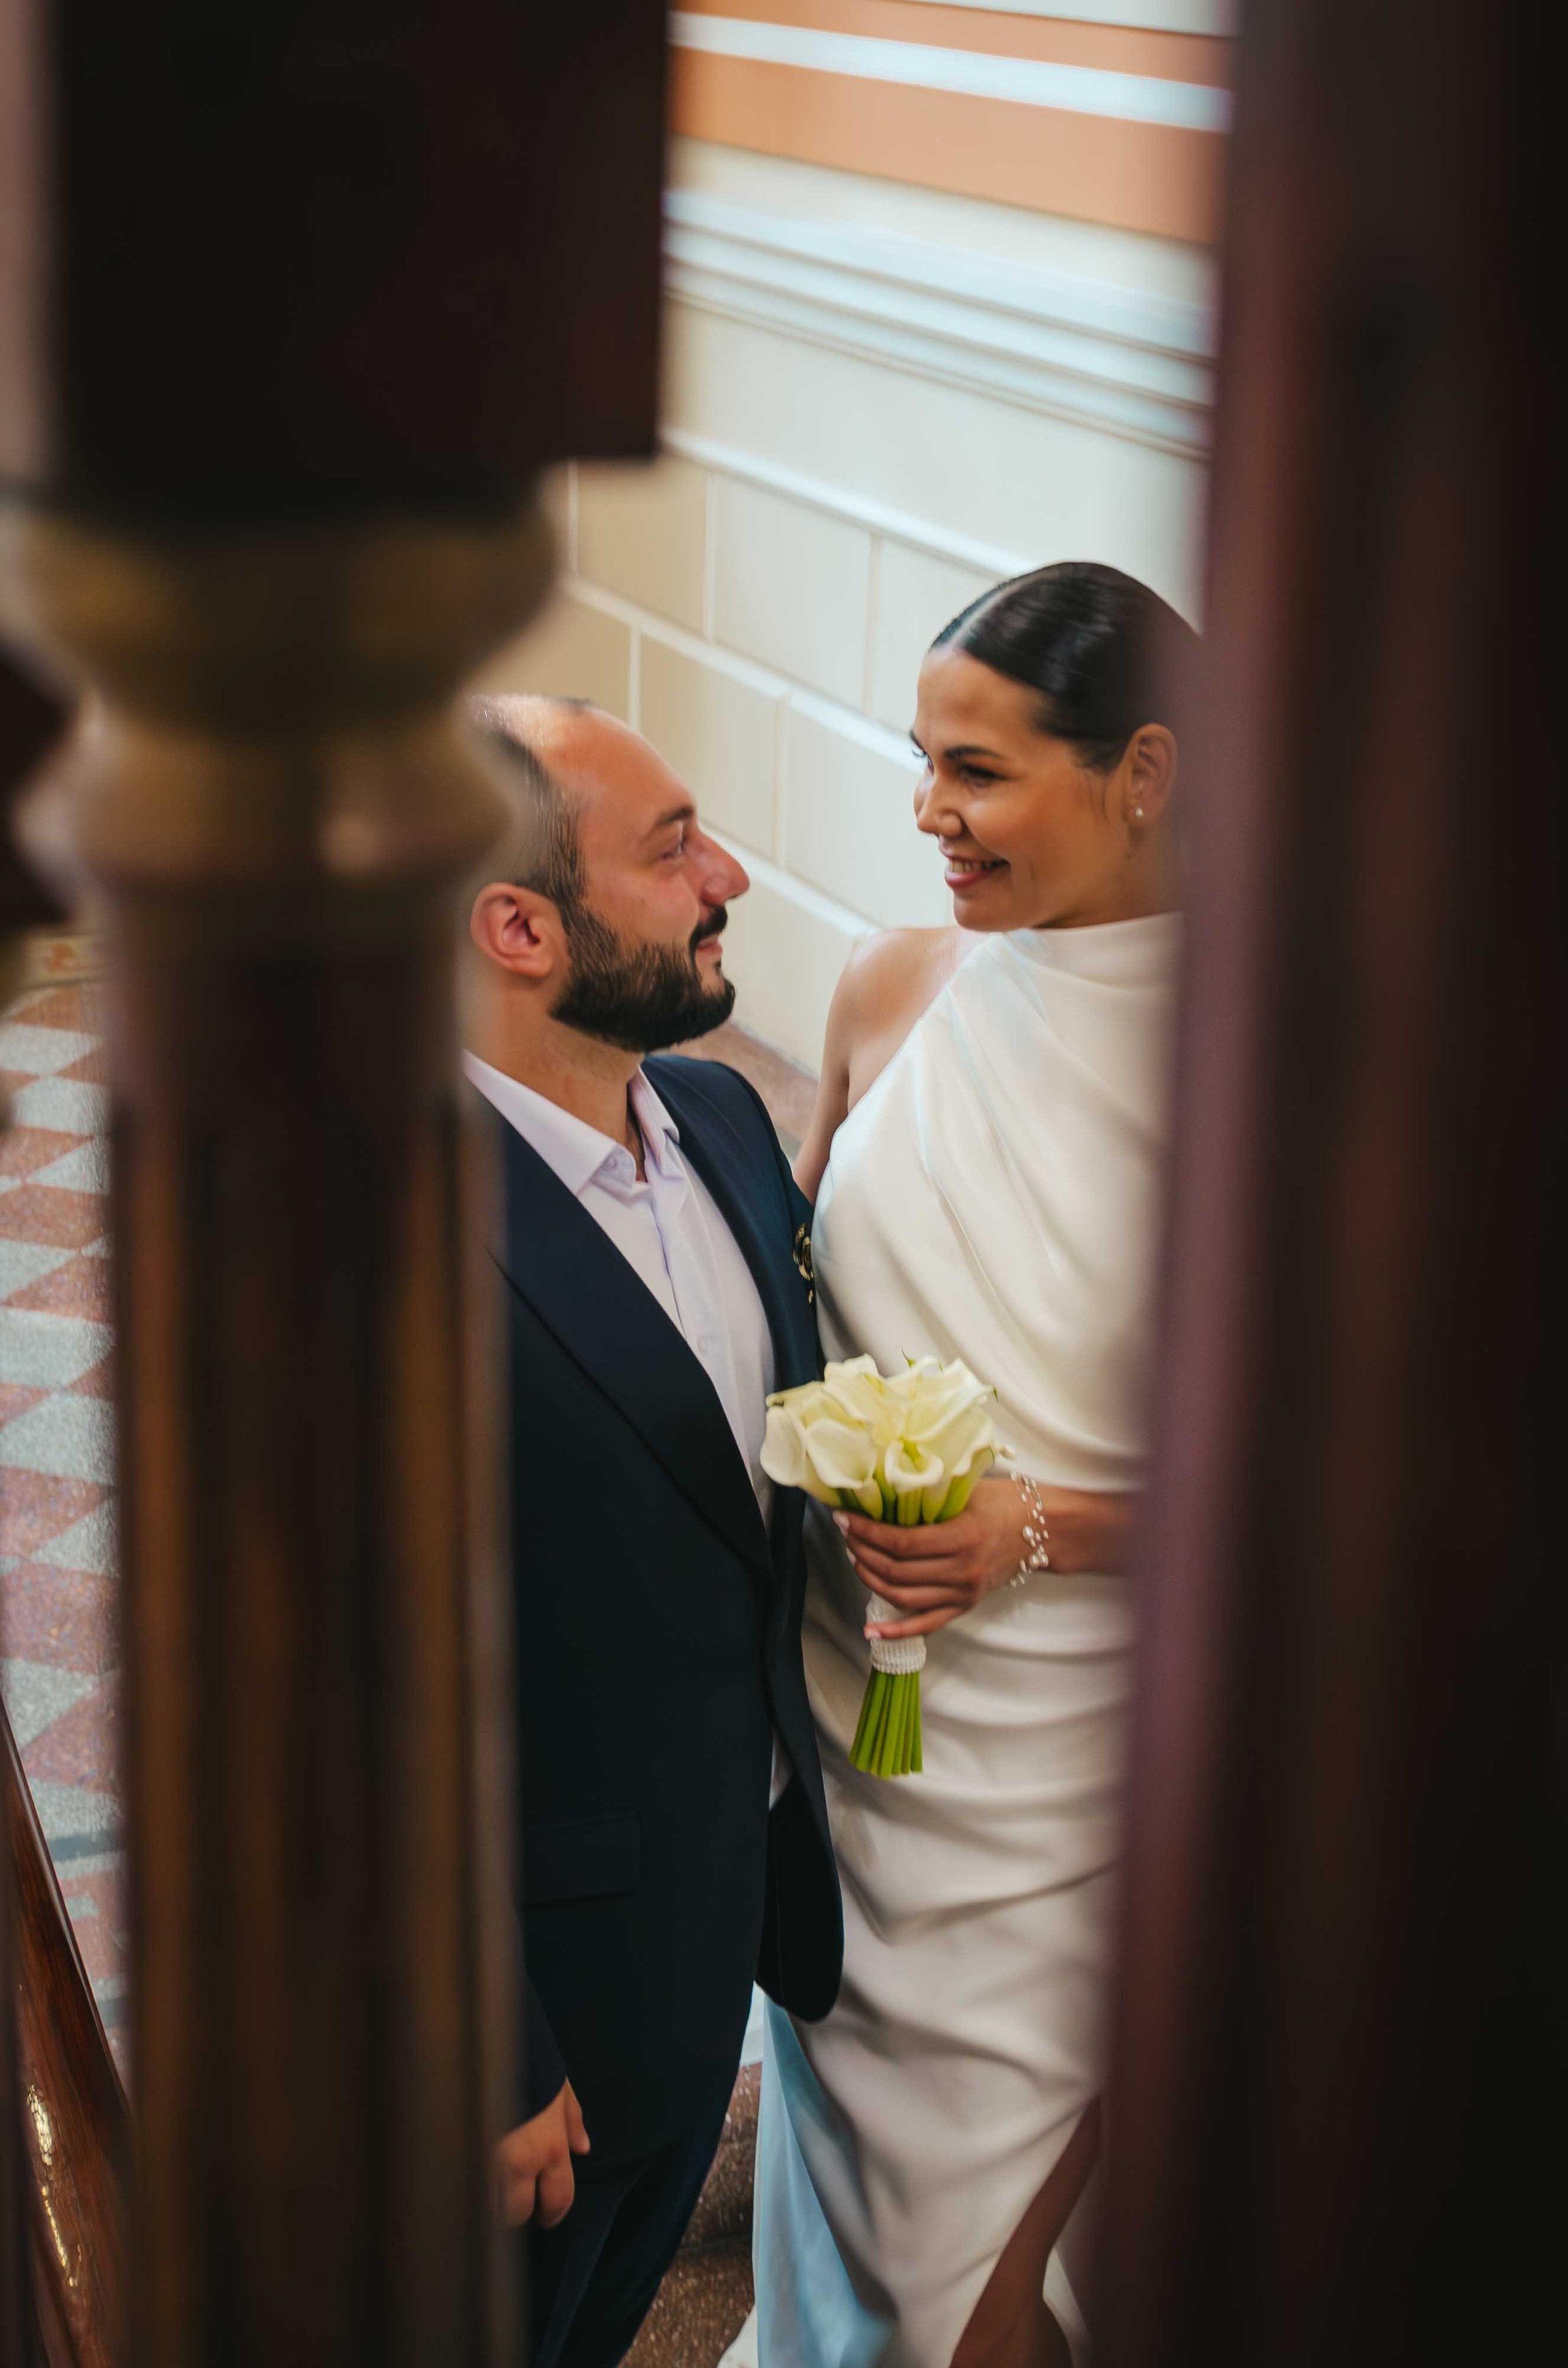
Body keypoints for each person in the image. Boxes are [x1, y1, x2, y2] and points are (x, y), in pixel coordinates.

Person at [755, 563, 1195, 2368]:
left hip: (1072, 1768)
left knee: (995, 2273)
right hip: (851, 1710)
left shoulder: (1267, 1071)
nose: (929, 812)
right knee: (846, 2174)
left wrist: (1038, 1527)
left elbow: (1313, 1493)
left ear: (1145, 770)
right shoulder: (892, 986)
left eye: (981, 771)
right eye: (923, 762)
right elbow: (784, 1295)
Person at [462, 695, 842, 2368]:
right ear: (521, 928)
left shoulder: (729, 1124)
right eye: (674, 847)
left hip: (713, 1943)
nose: (729, 875)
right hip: (539, 2016)